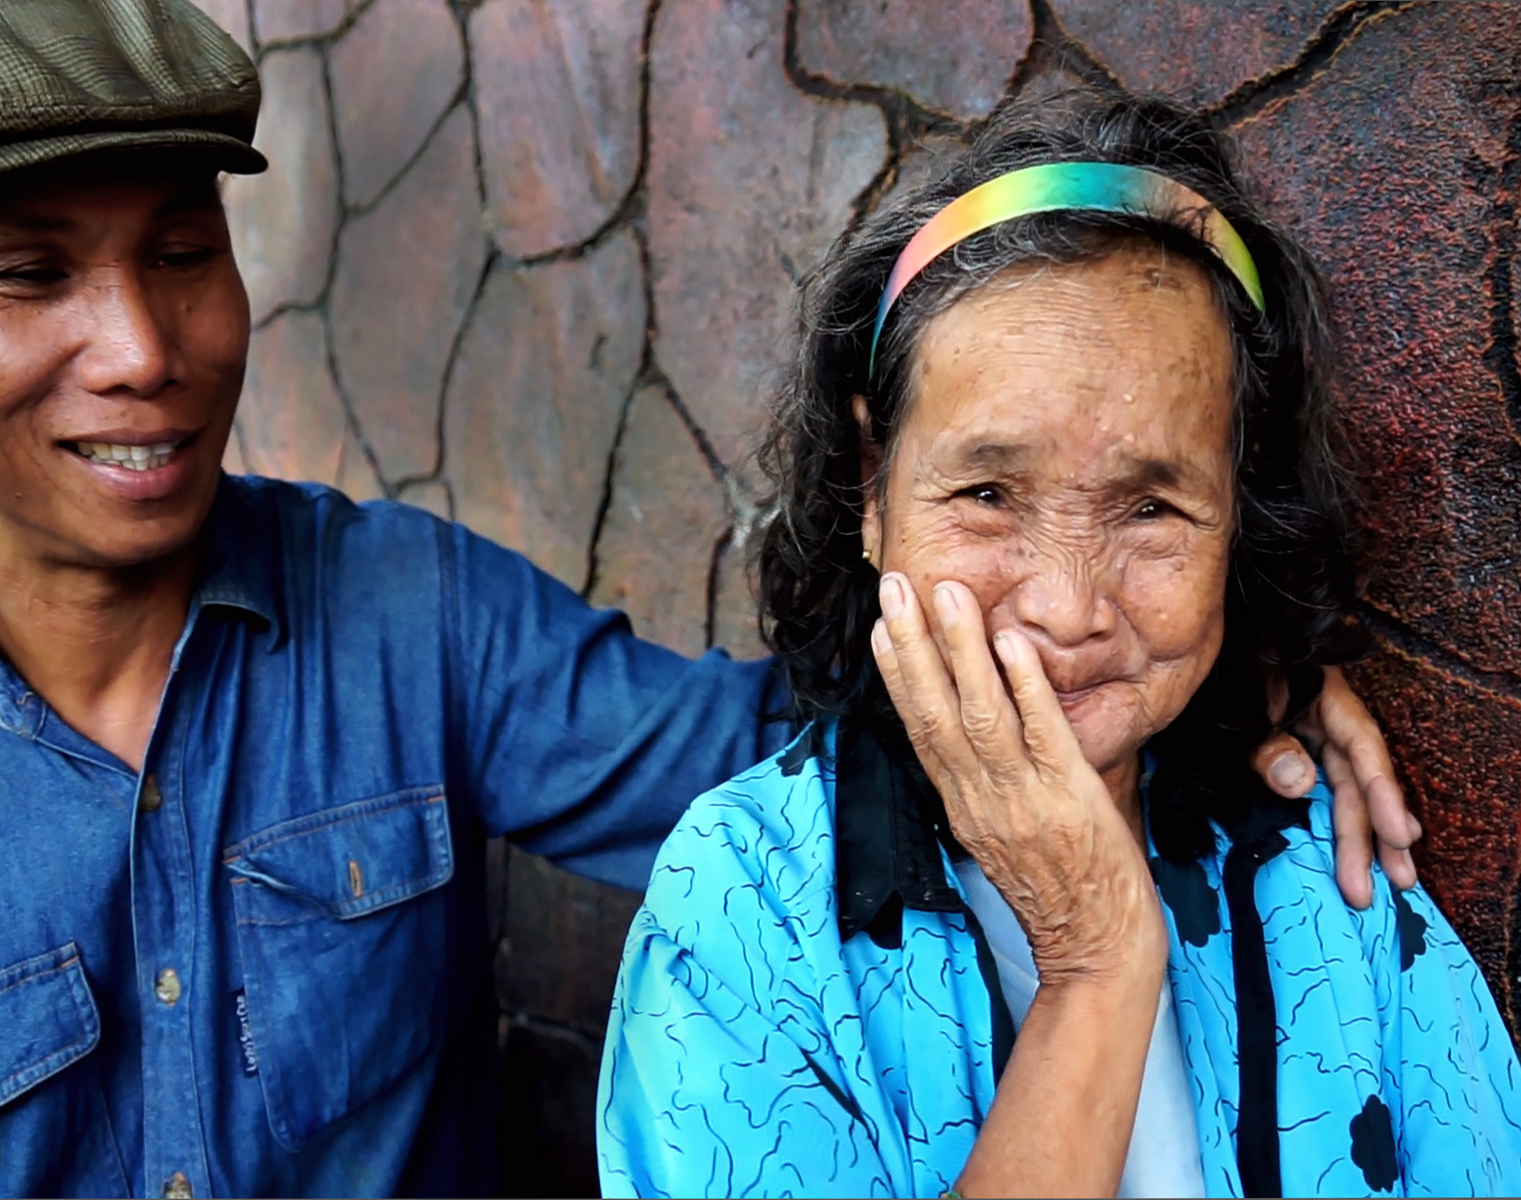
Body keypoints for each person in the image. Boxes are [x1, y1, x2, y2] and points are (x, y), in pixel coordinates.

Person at [0, 1, 1415, 1194]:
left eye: (184, 254)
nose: (140, 348)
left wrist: (1180, 671)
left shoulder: (401, 612)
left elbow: (811, 736)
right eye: (29, 274)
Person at [596, 90, 1521, 1197]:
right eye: (988, 494)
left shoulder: (1328, 865)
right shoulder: (742, 907)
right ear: (872, 485)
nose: (1069, 609)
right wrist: (1095, 964)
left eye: (1153, 509)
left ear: (1239, 515)